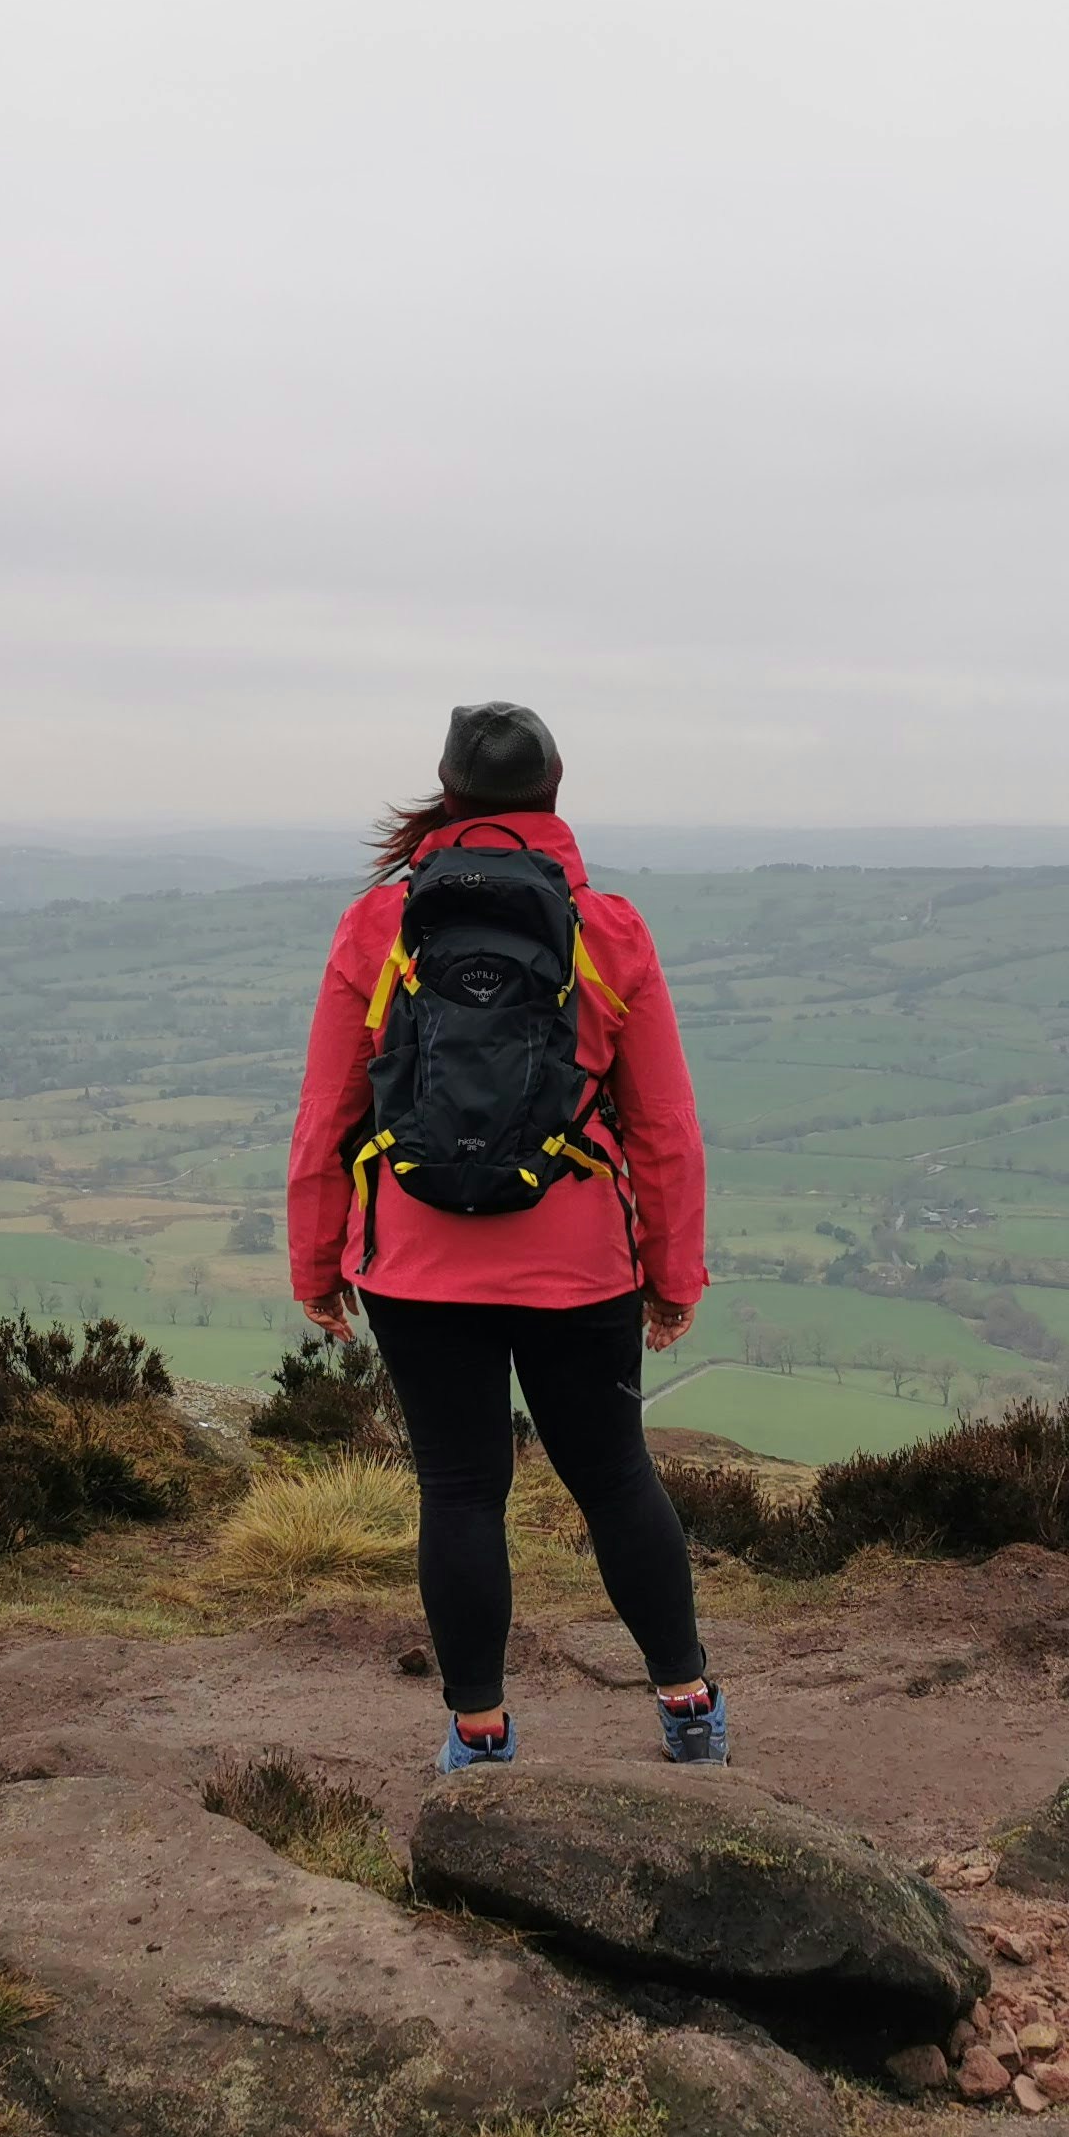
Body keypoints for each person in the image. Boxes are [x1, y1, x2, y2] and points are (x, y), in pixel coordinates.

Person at [286, 702, 723, 1770]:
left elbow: (329, 1113)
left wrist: (316, 1260)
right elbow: (664, 1125)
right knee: (616, 1477)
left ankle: (479, 1737)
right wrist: (671, 1273)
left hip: (418, 1266)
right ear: (556, 791)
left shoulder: (378, 930)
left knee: (462, 1490)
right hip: (577, 1266)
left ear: (448, 790)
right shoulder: (608, 929)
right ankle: (688, 1708)